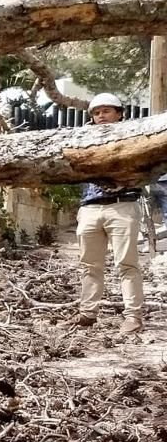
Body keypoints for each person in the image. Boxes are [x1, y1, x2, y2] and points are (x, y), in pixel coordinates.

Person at [75, 92, 145, 334]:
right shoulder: (81, 138)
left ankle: (133, 316)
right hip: (90, 207)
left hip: (122, 205)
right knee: (89, 265)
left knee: (127, 263)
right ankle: (87, 314)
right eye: (96, 112)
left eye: (106, 111)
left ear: (119, 113)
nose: (101, 116)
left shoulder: (134, 136)